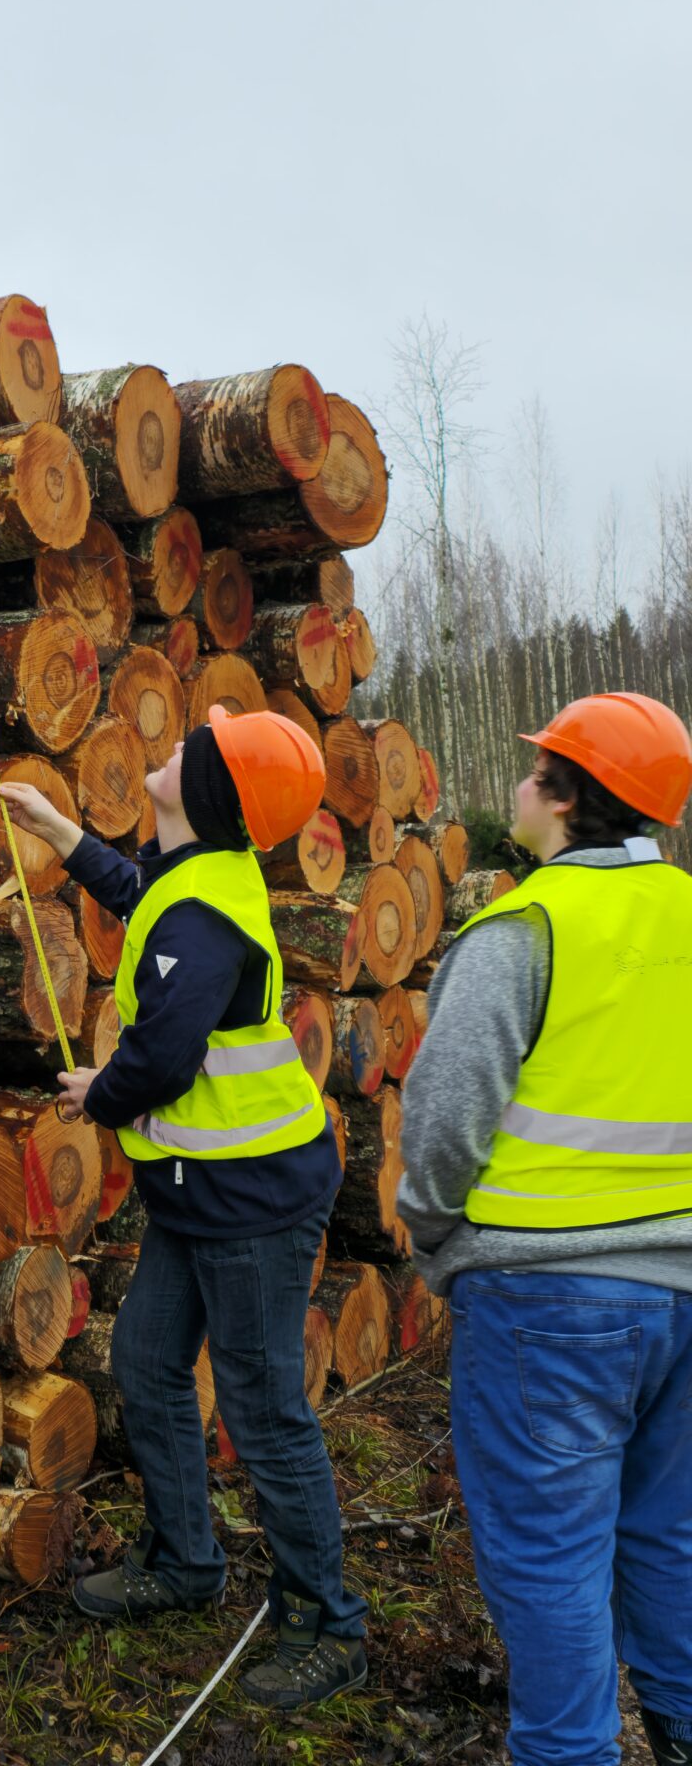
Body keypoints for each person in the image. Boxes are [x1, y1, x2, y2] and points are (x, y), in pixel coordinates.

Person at [0, 706, 367, 1710]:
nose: (167, 752)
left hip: (250, 1197)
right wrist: (58, 832)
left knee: (262, 1409)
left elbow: (161, 1054)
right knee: (148, 1361)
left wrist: (99, 1095)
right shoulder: (198, 875)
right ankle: (186, 1562)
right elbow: (140, 895)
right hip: (202, 1192)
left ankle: (327, 1623)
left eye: (185, 755)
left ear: (203, 796)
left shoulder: (203, 915)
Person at [398, 692, 692, 1766]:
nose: (521, 786)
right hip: (687, 1298)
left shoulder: (524, 928)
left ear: (565, 797)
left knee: (551, 1560)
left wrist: (432, 1235)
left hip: (548, 1305)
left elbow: (441, 1123)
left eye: (536, 772)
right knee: (667, 1537)